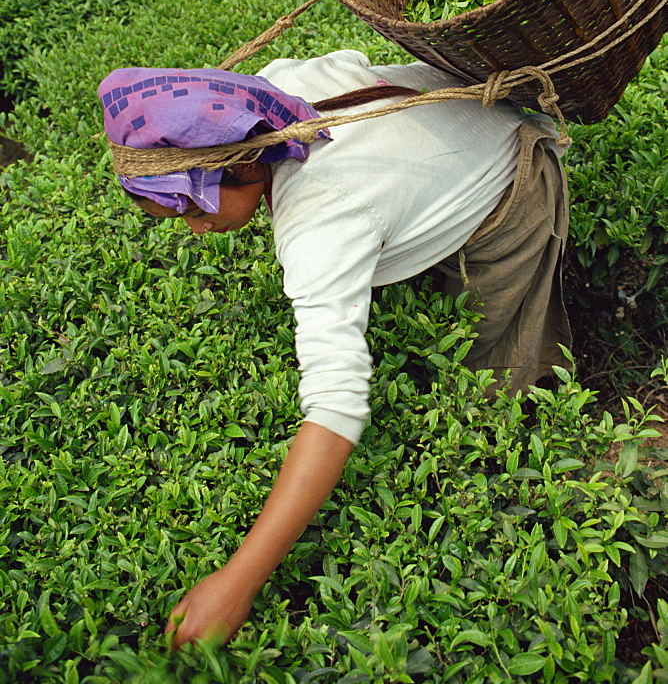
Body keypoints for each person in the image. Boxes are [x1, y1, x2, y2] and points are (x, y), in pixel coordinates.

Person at [98, 48, 571, 649]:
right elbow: (349, 58)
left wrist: (239, 580)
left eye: (191, 205)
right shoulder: (268, 93)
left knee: (492, 361)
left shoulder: (321, 220)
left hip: (514, 171)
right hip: (466, 112)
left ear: (241, 165)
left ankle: (512, 464)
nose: (193, 227)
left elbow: (336, 405)